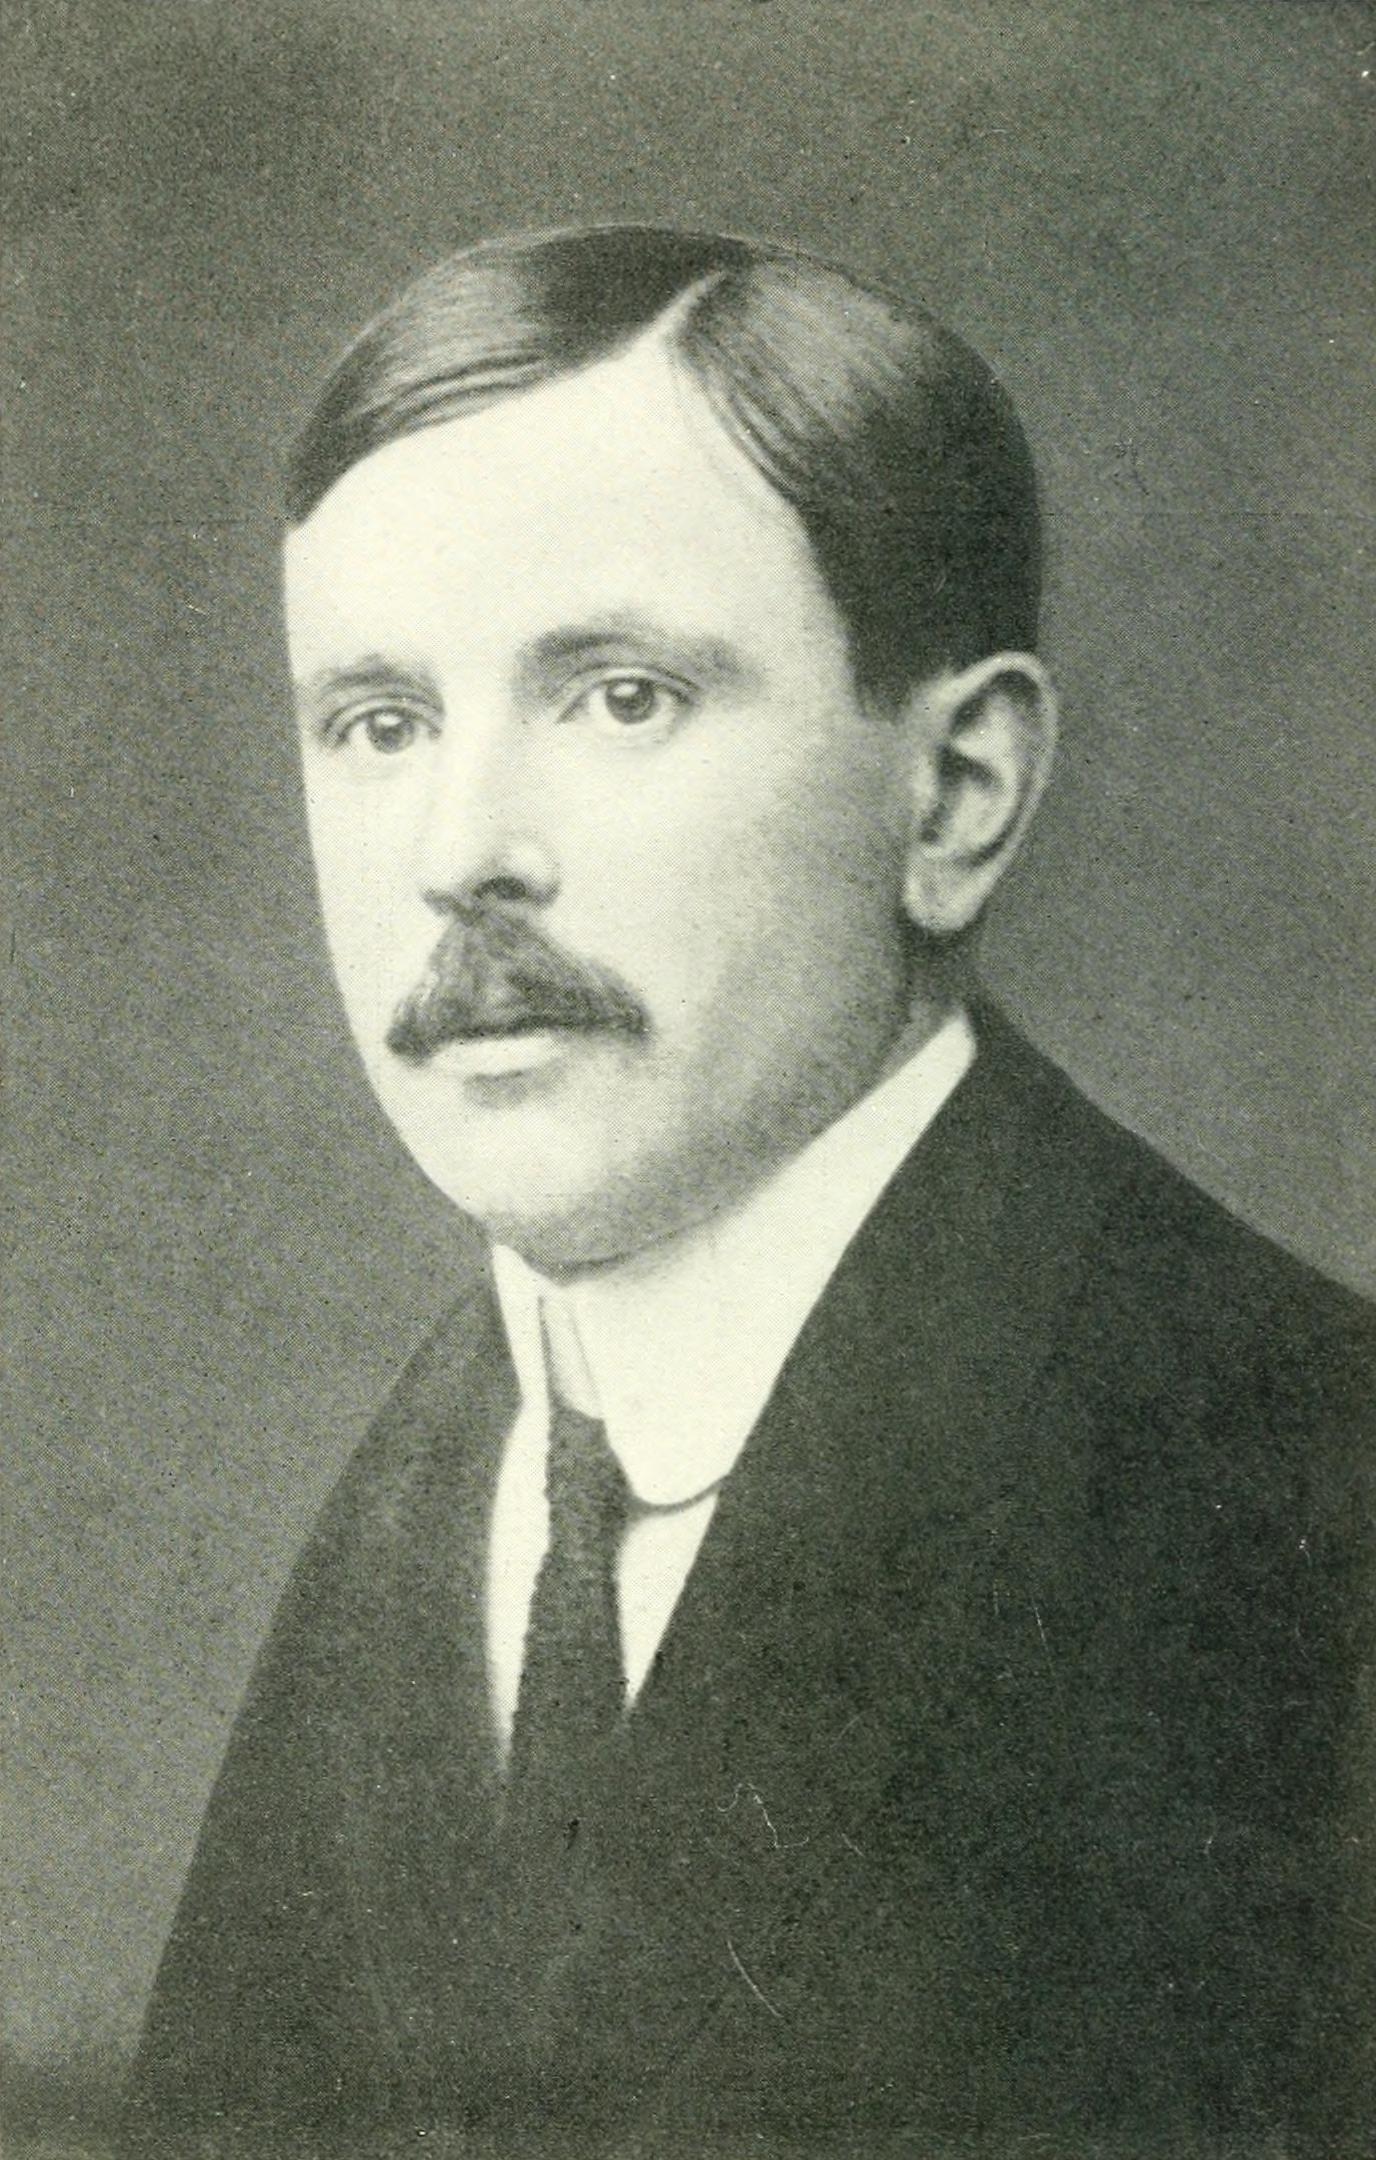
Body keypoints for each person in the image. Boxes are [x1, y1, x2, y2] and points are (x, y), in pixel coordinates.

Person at [123, 225, 1373, 2157]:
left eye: (620, 695)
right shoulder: (434, 1492)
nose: (460, 850)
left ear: (954, 795)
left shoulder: (1306, 1499)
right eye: (379, 724)